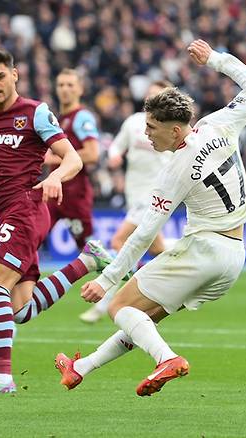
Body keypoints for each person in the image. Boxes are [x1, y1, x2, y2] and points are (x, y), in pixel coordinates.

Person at [55, 39, 246, 396]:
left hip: (204, 249)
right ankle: (81, 368)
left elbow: (142, 236)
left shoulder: (174, 173)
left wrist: (106, 281)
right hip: (234, 257)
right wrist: (215, 60)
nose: (146, 133)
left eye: (152, 127)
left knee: (121, 306)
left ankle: (167, 359)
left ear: (174, 130)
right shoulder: (220, 124)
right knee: (144, 318)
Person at [0, 48, 114, 394]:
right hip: (0, 214)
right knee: (20, 309)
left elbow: (74, 159)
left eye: (0, 76)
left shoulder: (35, 113)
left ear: (15, 75)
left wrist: (55, 178)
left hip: (26, 208)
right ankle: (86, 261)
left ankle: (1, 378)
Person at [79, 80, 174, 324]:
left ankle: (105, 303)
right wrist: (114, 157)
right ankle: (185, 274)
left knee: (118, 241)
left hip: (155, 195)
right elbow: (116, 147)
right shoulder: (132, 123)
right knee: (157, 250)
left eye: (159, 96)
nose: (153, 100)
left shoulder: (170, 128)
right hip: (135, 196)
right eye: (151, 95)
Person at [45, 68, 100, 249]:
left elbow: (93, 154)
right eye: (61, 85)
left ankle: (131, 271)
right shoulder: (59, 119)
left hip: (75, 196)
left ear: (80, 89)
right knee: (33, 237)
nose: (65, 89)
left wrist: (54, 159)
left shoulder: (82, 117)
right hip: (55, 193)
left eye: (70, 85)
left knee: (91, 251)